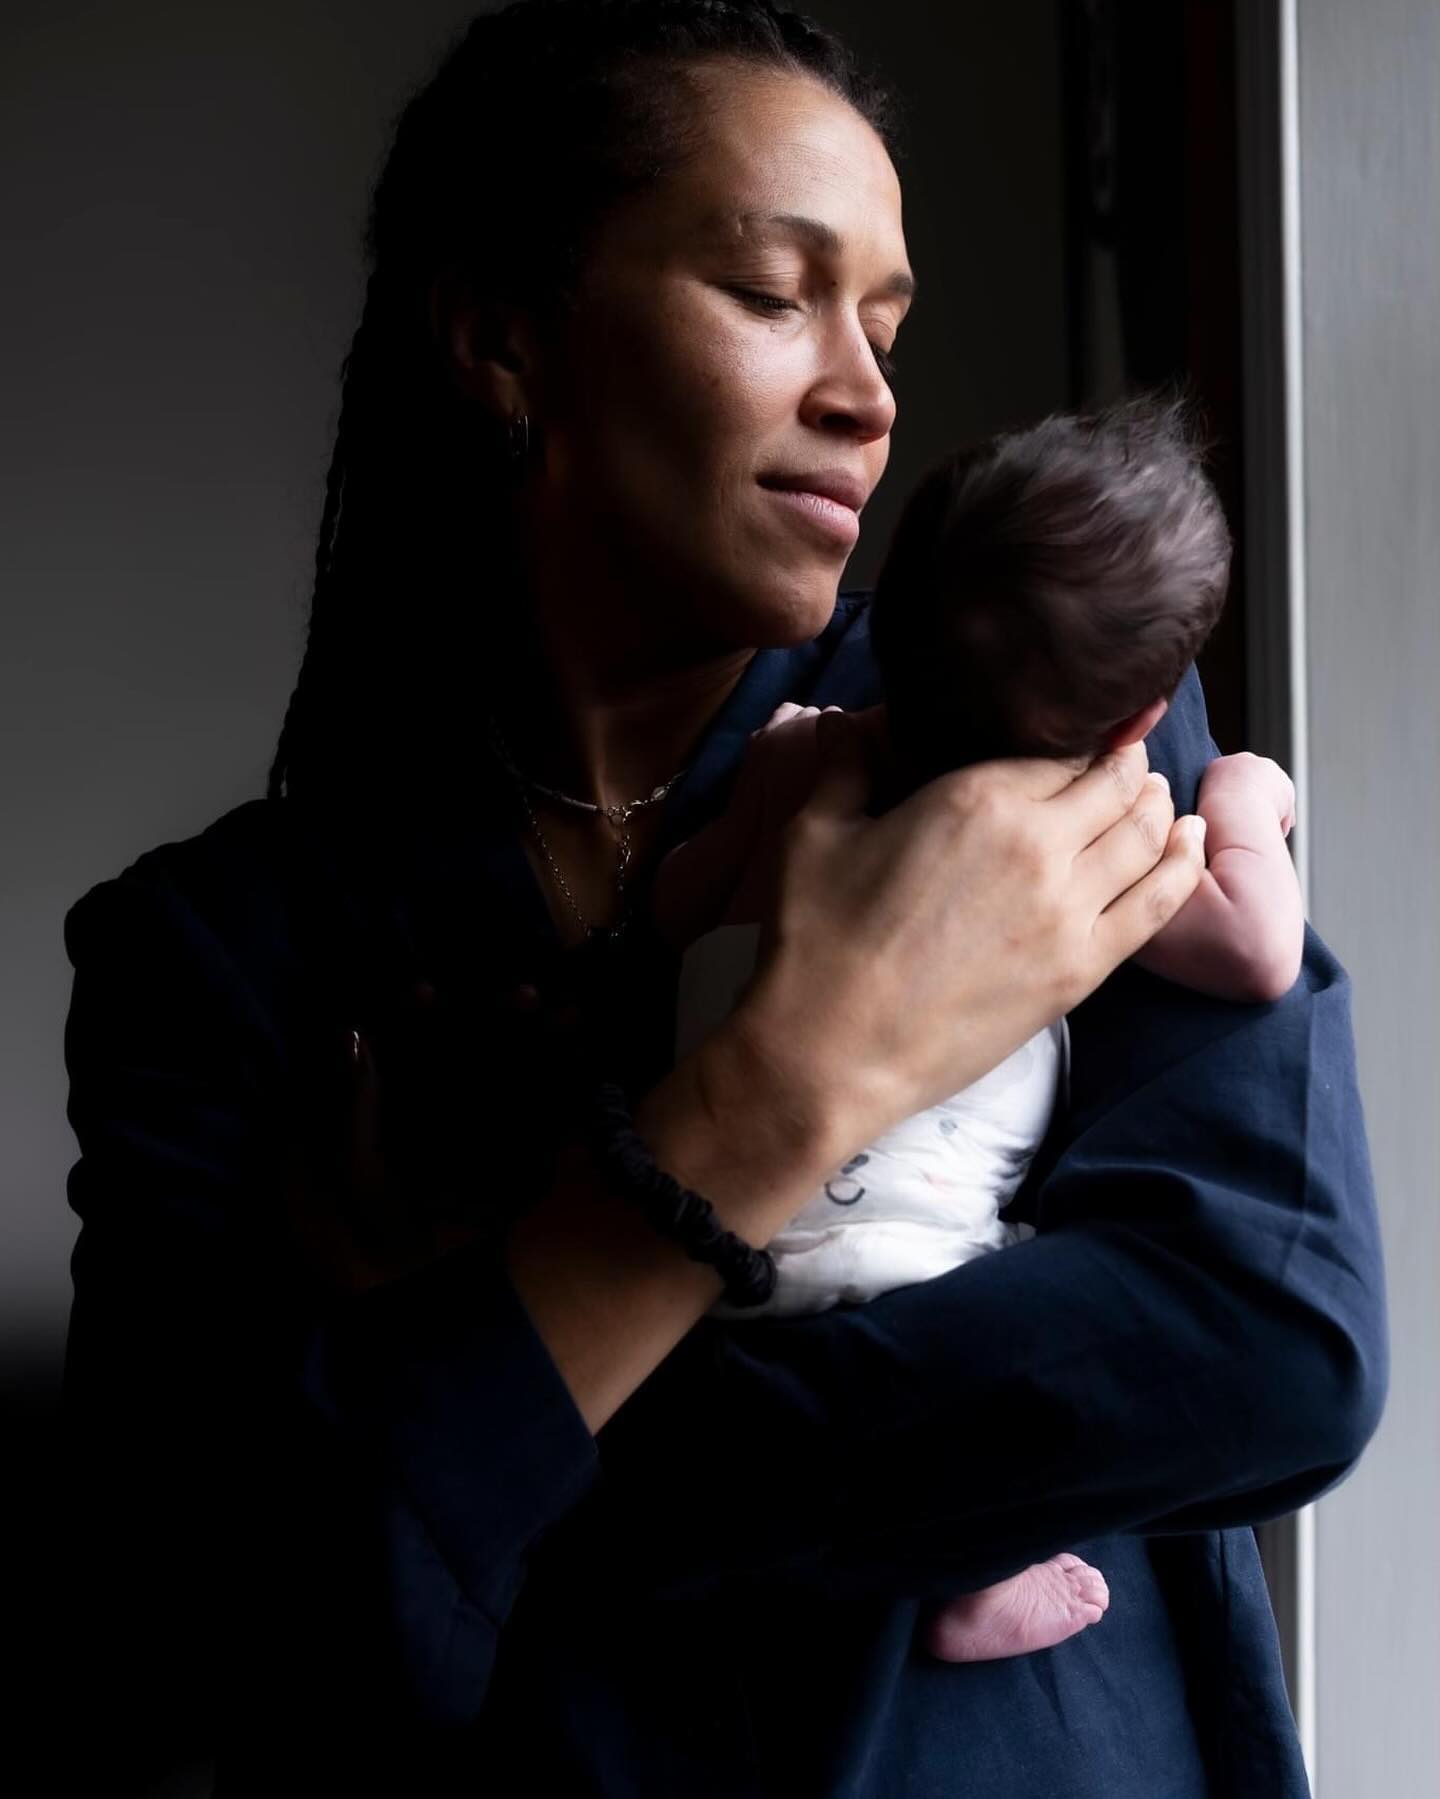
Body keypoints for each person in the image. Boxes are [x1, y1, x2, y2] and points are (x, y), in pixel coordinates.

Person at [57, 3, 1386, 1796]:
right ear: (505, 340)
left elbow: (1272, 1348)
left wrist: (483, 1430)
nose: (868, 390)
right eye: (777, 293)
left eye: (885, 322)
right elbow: (240, 1648)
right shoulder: (216, 965)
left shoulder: (1066, 731)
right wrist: (779, 1088)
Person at [650, 393, 1307, 1667]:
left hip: (702, 1254)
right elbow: (1255, 949)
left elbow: (676, 906)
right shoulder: (1065, 838)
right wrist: (1243, 799)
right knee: (1028, 1380)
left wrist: (757, 812)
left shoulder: (800, 760)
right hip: (917, 1285)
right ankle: (963, 1572)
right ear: (1135, 726)